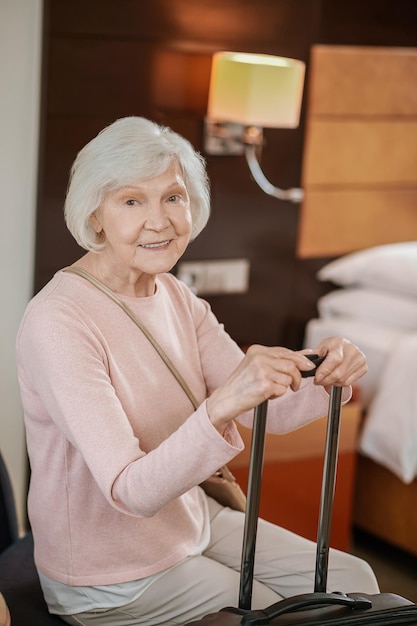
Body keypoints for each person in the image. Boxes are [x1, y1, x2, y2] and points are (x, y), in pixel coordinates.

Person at [16, 116, 379, 626]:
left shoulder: (177, 297)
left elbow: (266, 414)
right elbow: (130, 491)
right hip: (108, 574)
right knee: (288, 617)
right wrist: (225, 402)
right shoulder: (59, 321)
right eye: (131, 201)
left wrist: (331, 375)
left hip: (189, 523)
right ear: (95, 216)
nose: (159, 220)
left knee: (356, 583)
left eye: (172, 197)